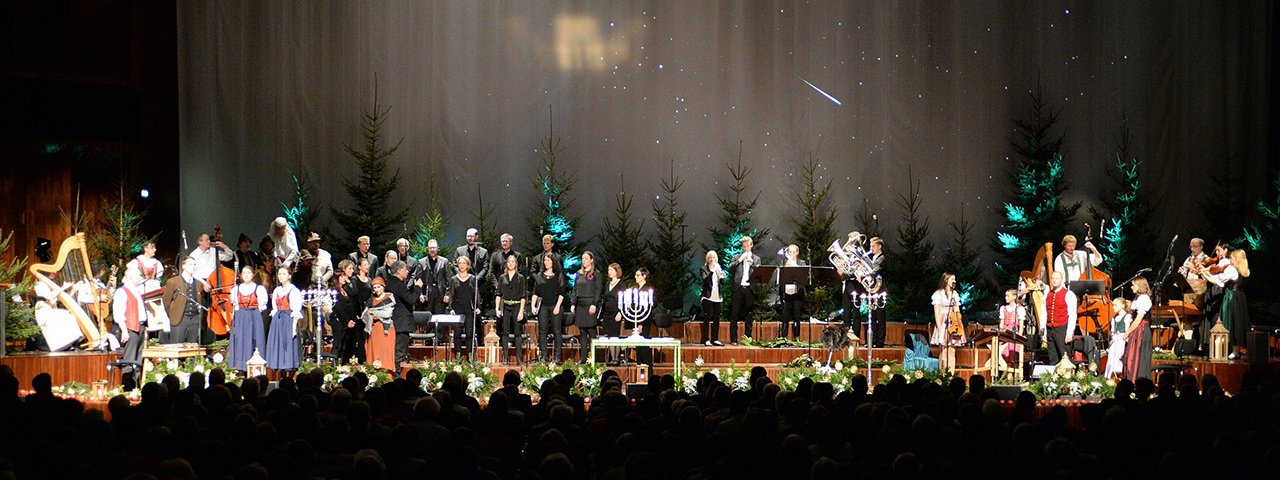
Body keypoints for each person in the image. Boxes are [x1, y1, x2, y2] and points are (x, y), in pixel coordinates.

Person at [1202, 249, 1251, 360]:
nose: (1229, 260)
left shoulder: (1232, 270)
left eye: (1232, 258)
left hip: (1232, 297)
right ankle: (1235, 350)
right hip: (1240, 297)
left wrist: (1206, 271)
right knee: (1237, 321)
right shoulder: (1243, 270)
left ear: (1236, 260)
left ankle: (1234, 351)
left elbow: (1219, 280)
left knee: (1233, 321)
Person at [228, 266, 268, 372]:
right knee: (240, 339)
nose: (246, 275)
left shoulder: (258, 288)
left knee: (255, 339)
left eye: (248, 273)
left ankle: (256, 367)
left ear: (252, 274)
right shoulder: (236, 289)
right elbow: (234, 305)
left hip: (254, 316)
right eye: (244, 273)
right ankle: (239, 367)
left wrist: (259, 308)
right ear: (240, 275)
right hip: (240, 316)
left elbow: (262, 306)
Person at [384, 261, 422, 370]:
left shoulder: (390, 282)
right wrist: (418, 287)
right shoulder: (399, 284)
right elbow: (411, 299)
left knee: (395, 350)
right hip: (401, 323)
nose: (407, 271)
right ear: (399, 271)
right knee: (399, 352)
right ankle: (396, 376)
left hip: (395, 321)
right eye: (405, 269)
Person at [162, 256, 208, 345]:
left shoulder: (198, 283)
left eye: (195, 264)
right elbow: (166, 301)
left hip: (194, 318)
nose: (193, 266)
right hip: (180, 318)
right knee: (177, 346)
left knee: (193, 346)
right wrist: (173, 313)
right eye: (190, 264)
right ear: (183, 266)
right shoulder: (173, 281)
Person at [113, 268, 146, 387]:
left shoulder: (136, 291)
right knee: (129, 359)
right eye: (138, 275)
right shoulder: (121, 292)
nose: (140, 277)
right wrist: (124, 331)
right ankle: (127, 387)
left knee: (138, 360)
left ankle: (136, 387)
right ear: (131, 277)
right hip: (130, 329)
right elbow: (118, 314)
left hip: (140, 327)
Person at [445, 256, 481, 360]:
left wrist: (478, 306)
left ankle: (470, 357)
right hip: (457, 310)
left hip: (469, 309)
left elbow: (476, 294)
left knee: (470, 333)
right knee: (457, 334)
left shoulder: (473, 279)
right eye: (460, 263)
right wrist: (450, 308)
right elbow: (451, 294)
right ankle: (458, 357)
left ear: (467, 265)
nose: (461, 265)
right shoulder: (454, 279)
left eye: (464, 263)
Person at [727, 236, 762, 345]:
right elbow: (730, 269)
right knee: (734, 314)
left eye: (748, 245)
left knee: (749, 314)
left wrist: (753, 265)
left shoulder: (756, 259)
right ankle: (733, 339)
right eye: (744, 246)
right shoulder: (737, 256)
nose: (746, 247)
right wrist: (739, 260)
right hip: (738, 288)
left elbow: (760, 274)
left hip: (749, 289)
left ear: (751, 245)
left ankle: (748, 338)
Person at [267, 268, 302, 374]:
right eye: (279, 274)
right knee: (279, 346)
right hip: (278, 320)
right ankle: (281, 372)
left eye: (283, 274)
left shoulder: (293, 290)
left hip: (288, 320)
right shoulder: (277, 290)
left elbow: (295, 310)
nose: (281, 276)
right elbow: (275, 307)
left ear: (289, 276)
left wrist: (293, 328)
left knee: (288, 346)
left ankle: (289, 374)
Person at [1040, 271, 1078, 366]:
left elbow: (1072, 314)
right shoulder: (1047, 295)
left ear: (1062, 280)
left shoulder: (1069, 294)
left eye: (1057, 278)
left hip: (1062, 328)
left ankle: (1067, 379)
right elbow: (1045, 313)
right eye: (1053, 278)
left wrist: (1069, 333)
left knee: (1064, 355)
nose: (1054, 280)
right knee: (1053, 356)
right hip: (1050, 328)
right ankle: (1054, 378)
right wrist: (1044, 332)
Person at [532, 254, 565, 362]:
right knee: (542, 331)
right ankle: (543, 356)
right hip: (543, 306)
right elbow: (535, 293)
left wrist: (557, 307)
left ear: (553, 262)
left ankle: (557, 357)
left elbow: (562, 293)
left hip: (555, 305)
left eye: (549, 260)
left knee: (557, 331)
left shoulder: (558, 276)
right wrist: (533, 305)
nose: (546, 262)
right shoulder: (539, 276)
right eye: (545, 260)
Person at [495, 255, 528, 364]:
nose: (511, 263)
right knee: (505, 332)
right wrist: (497, 308)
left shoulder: (521, 278)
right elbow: (498, 294)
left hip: (517, 306)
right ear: (506, 264)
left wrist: (521, 311)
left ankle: (519, 358)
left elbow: (523, 296)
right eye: (509, 261)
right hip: (505, 306)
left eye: (513, 261)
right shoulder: (502, 277)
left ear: (516, 264)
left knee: (518, 333)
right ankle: (505, 358)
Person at [931, 272, 965, 373]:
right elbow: (936, 312)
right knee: (944, 350)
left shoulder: (954, 294)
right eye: (952, 279)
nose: (954, 281)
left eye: (955, 279)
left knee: (952, 350)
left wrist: (957, 322)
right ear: (946, 280)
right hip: (943, 322)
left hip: (953, 323)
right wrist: (939, 326)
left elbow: (957, 310)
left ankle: (951, 375)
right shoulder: (938, 294)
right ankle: (943, 374)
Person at [331, 259, 364, 364]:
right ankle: (334, 364)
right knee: (338, 344)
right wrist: (347, 320)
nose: (344, 277)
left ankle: (344, 363)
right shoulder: (334, 291)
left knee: (346, 344)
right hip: (339, 321)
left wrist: (353, 318)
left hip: (349, 320)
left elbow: (354, 297)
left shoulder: (344, 289)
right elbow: (339, 308)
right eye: (342, 276)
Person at [572, 251, 602, 363]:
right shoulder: (578, 273)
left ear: (591, 260)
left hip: (590, 304)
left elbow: (598, 290)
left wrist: (594, 304)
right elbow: (575, 290)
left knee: (591, 331)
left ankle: (594, 358)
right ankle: (583, 359)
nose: (584, 260)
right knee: (582, 333)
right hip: (580, 305)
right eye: (582, 258)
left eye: (586, 258)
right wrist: (573, 304)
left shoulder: (596, 274)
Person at [1123, 277, 1154, 379]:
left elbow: (1138, 319)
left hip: (1141, 329)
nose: (1132, 287)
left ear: (1140, 286)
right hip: (1137, 329)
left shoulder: (1144, 299)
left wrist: (1127, 332)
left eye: (1133, 285)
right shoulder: (1138, 298)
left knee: (1139, 355)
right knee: (1133, 354)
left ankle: (1138, 380)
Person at [363, 276, 396, 369]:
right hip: (374, 330)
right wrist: (369, 314)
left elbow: (387, 313)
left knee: (385, 353)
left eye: (379, 287)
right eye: (375, 288)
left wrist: (373, 312)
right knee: (374, 352)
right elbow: (364, 314)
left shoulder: (389, 298)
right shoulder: (371, 300)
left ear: (383, 286)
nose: (377, 289)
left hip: (385, 329)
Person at [776, 244, 805, 340]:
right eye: (789, 252)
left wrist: (792, 263)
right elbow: (779, 277)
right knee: (785, 317)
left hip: (797, 293)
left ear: (797, 252)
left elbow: (802, 274)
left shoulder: (801, 263)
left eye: (793, 252)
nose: (791, 254)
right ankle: (784, 337)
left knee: (797, 316)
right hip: (786, 293)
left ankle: (797, 337)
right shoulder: (783, 263)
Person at [599, 263, 626, 363]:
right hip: (607, 313)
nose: (609, 272)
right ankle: (612, 357)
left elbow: (624, 300)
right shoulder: (607, 284)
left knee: (615, 335)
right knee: (610, 336)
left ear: (616, 271)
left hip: (616, 312)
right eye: (608, 270)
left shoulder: (622, 284)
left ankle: (616, 358)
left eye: (611, 270)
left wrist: (620, 312)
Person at [699, 251, 725, 346]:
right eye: (710, 257)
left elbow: (723, 283)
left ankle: (715, 339)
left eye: (713, 257)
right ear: (707, 259)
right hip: (707, 297)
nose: (711, 259)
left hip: (717, 296)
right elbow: (705, 280)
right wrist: (712, 271)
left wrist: (721, 276)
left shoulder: (718, 268)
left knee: (716, 318)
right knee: (708, 316)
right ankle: (706, 339)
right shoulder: (704, 268)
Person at [420, 239, 450, 314]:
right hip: (427, 294)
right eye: (430, 248)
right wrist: (420, 294)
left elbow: (448, 279)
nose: (432, 250)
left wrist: (447, 294)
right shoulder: (421, 262)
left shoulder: (444, 261)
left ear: (437, 248)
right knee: (427, 319)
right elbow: (418, 280)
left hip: (440, 294)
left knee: (440, 318)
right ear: (428, 249)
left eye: (434, 248)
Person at [997, 289, 1026, 367]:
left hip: (1014, 334)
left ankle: (1015, 377)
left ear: (1014, 297)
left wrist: (1019, 338)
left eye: (1008, 296)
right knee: (1004, 357)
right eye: (1005, 296)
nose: (1006, 297)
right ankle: (1006, 376)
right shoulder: (1003, 308)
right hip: (1005, 334)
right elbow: (1002, 323)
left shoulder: (1019, 309)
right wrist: (1000, 334)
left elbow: (1021, 325)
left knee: (1014, 358)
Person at [1105, 297, 1132, 378]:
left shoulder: (1127, 317)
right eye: (1113, 305)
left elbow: (1127, 330)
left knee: (1120, 357)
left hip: (1122, 340)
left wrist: (1125, 338)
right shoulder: (1114, 318)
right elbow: (1113, 330)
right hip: (1115, 340)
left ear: (1122, 306)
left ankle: (1119, 376)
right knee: (1112, 357)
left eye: (1115, 305)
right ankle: (1109, 376)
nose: (1113, 307)